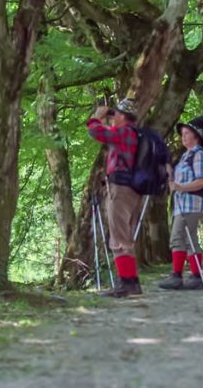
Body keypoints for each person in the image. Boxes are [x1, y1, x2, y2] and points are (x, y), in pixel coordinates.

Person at [86, 98, 143, 298]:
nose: (112, 117)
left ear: (122, 116)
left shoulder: (125, 133)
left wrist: (96, 117)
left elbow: (96, 132)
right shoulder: (135, 134)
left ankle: (125, 284)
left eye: (115, 114)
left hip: (121, 189)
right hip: (132, 190)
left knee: (119, 238)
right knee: (125, 236)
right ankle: (132, 282)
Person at [159, 117, 203, 290]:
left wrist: (180, 187)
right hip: (182, 204)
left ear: (197, 136)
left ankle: (184, 276)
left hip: (192, 204)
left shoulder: (199, 155)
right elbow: (176, 180)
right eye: (182, 133)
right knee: (185, 238)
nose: (183, 136)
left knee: (181, 238)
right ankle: (186, 276)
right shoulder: (185, 156)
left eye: (187, 133)